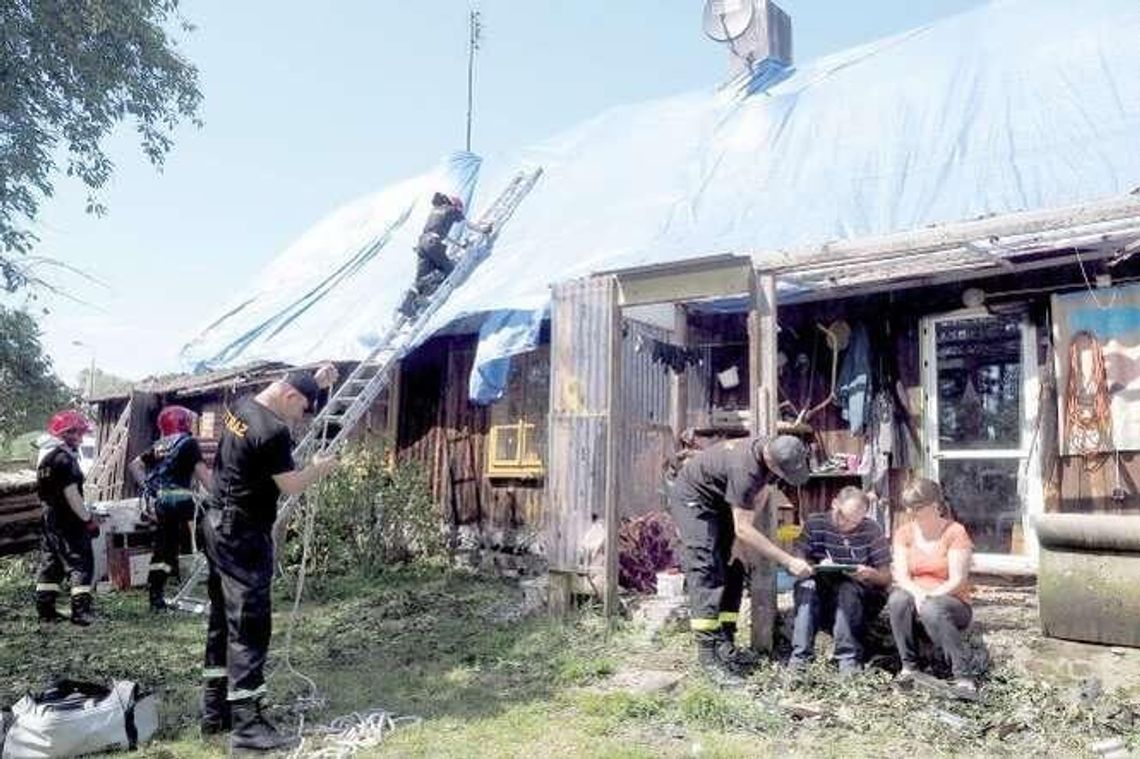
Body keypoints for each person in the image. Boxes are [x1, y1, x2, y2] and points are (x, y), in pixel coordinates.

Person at [200, 366, 338, 751]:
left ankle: (214, 711)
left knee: (221, 621)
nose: (301, 418)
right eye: (303, 408)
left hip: (215, 524)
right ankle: (247, 727)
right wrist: (320, 469)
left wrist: (317, 381)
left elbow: (292, 390)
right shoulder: (273, 431)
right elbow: (291, 484)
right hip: (244, 534)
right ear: (290, 396)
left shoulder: (242, 406)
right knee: (249, 625)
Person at [668, 434, 813, 683]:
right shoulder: (745, 468)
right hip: (695, 500)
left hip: (720, 500)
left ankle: (725, 643)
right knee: (707, 570)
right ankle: (708, 658)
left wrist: (738, 539)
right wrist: (788, 561)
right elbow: (744, 525)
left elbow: (762, 493)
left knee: (734, 567)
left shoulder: (771, 452)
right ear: (771, 459)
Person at [887, 478, 980, 696]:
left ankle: (963, 677)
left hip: (952, 600)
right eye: (909, 508)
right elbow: (901, 575)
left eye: (918, 508)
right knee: (897, 600)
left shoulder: (955, 532)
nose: (912, 513)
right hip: (917, 594)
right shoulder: (904, 533)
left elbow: (957, 579)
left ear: (934, 505)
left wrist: (929, 596)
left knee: (932, 608)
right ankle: (909, 667)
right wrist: (918, 593)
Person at [789, 486, 891, 675]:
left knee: (847, 589)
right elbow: (798, 556)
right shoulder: (815, 523)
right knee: (806, 586)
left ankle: (848, 659)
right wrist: (806, 565)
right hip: (821, 589)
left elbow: (886, 576)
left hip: (859, 597)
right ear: (835, 504)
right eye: (844, 517)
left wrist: (869, 573)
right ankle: (800, 659)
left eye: (855, 522)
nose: (848, 525)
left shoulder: (871, 530)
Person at [128, 405, 213, 611]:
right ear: (184, 422)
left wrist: (149, 487)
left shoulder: (159, 445)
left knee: (164, 550)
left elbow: (134, 466)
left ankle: (156, 599)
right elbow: (204, 477)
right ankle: (215, 571)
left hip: (161, 503)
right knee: (212, 527)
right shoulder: (188, 443)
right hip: (180, 500)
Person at [34, 410, 99, 626]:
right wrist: (87, 519)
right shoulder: (65, 460)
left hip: (49, 521)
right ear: (67, 433)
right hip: (68, 521)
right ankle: (80, 613)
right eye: (78, 433)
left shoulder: (46, 461)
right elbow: (72, 495)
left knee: (50, 564)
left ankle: (46, 610)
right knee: (80, 563)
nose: (81, 439)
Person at [398, 192, 491, 317]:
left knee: (420, 278)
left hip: (422, 244)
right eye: (459, 208)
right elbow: (468, 225)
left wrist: (460, 245)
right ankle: (431, 282)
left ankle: (407, 305)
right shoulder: (452, 210)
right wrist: (483, 230)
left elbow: (442, 233)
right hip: (433, 243)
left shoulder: (436, 210)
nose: (459, 211)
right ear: (455, 205)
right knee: (450, 271)